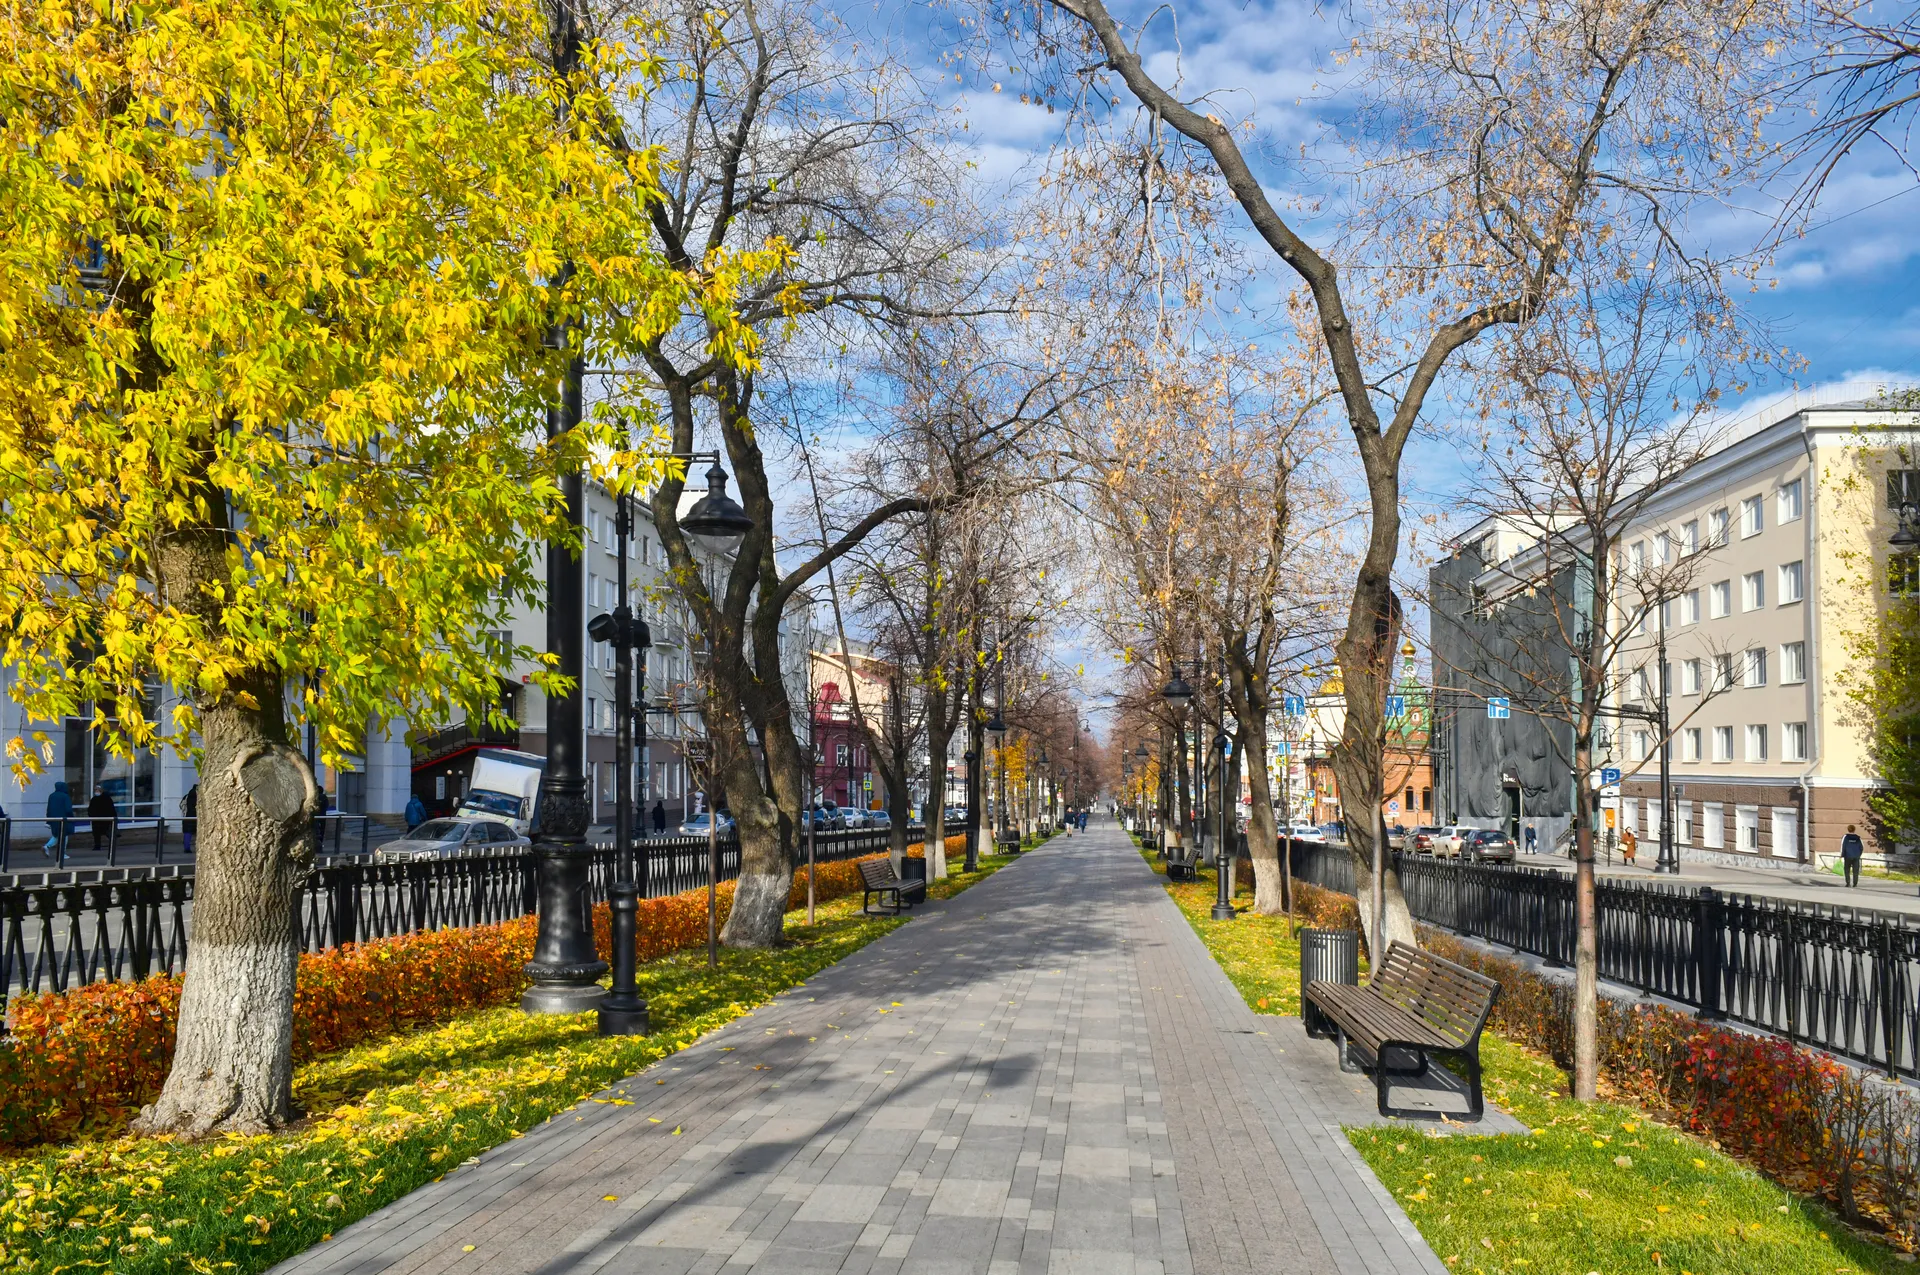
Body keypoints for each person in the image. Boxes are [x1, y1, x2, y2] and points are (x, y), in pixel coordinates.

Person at [44, 780, 73, 858]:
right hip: (63, 819)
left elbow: (49, 808)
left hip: (53, 819)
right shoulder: (65, 796)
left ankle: (47, 846)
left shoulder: (52, 796)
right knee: (64, 836)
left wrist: (48, 820)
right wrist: (71, 817)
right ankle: (62, 854)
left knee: (56, 835)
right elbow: (68, 809)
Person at [87, 784, 116, 852]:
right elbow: (90, 809)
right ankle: (97, 846)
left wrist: (113, 817)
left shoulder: (106, 798)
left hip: (105, 819)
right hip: (96, 820)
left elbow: (111, 808)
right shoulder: (94, 799)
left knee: (107, 832)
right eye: (95, 790)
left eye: (98, 790)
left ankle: (112, 844)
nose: (96, 791)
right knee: (97, 833)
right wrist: (91, 815)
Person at [1841, 823, 1866, 887]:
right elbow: (1862, 847)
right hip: (1856, 856)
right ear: (1854, 830)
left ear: (1848, 829)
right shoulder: (1858, 837)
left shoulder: (1845, 837)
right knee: (1856, 870)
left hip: (1848, 856)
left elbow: (1842, 846)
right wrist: (1859, 854)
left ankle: (1848, 883)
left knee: (1847, 870)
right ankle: (1855, 883)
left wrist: (1842, 854)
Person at [180, 782, 198, 855]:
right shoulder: (199, 797)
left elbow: (181, 805)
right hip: (196, 817)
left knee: (187, 833)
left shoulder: (186, 796)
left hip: (187, 817)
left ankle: (186, 848)